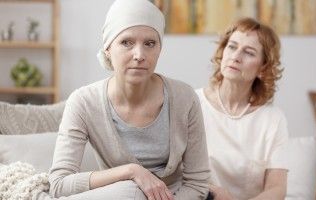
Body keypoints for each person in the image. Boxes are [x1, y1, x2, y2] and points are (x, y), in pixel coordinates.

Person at [48, 0, 210, 199]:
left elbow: (197, 183)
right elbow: (59, 184)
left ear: (160, 48)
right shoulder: (83, 102)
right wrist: (131, 171)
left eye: (150, 43)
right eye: (126, 42)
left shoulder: (185, 98)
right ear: (108, 48)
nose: (139, 55)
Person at [196, 17, 289, 200]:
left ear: (263, 68)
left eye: (249, 52)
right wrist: (214, 193)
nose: (235, 56)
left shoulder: (273, 119)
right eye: (232, 46)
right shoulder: (192, 103)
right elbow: (175, 174)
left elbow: (277, 189)